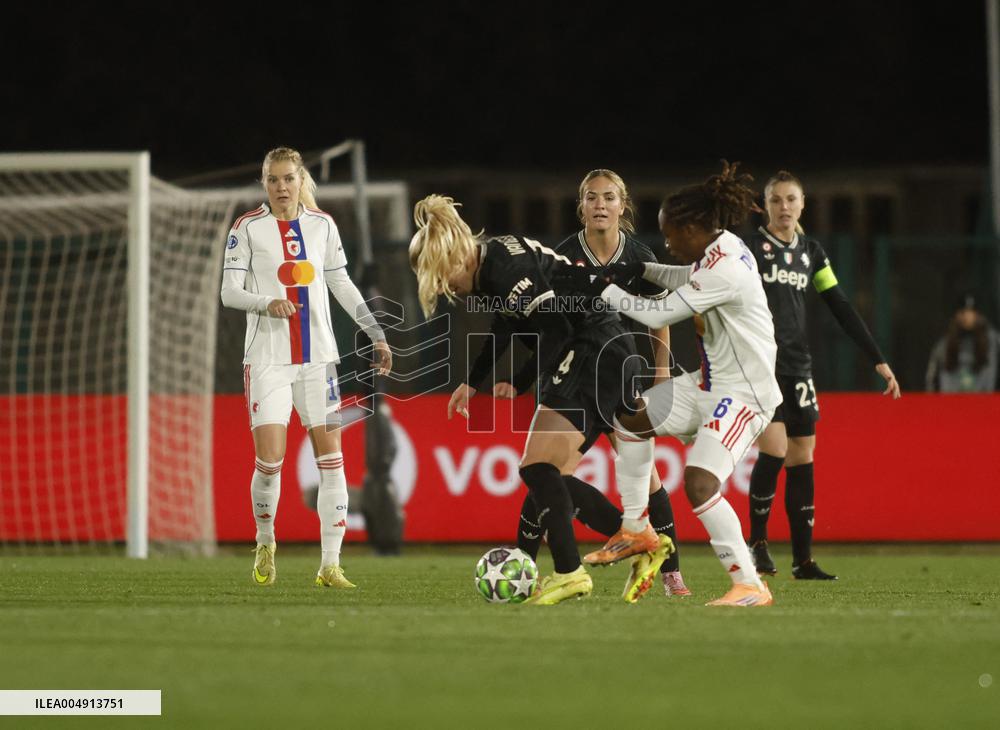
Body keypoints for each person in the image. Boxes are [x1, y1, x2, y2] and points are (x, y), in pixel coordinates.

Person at [409, 194, 671, 606]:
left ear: (456, 258)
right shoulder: (494, 257)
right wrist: (474, 382)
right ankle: (641, 539)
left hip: (591, 348)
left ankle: (571, 573)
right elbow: (506, 323)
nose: (449, 290)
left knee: (538, 468)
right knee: (549, 475)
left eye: (444, 278)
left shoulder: (507, 270)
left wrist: (519, 380)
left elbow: (553, 330)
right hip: (608, 347)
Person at [565, 161, 780, 607]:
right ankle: (636, 528)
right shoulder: (722, 249)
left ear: (696, 226)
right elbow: (680, 277)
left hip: (744, 397)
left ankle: (749, 585)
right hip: (710, 386)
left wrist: (603, 290)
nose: (667, 242)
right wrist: (643, 271)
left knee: (699, 484)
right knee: (631, 418)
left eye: (671, 233)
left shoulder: (726, 269)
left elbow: (660, 315)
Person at [510, 169, 690, 597]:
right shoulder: (563, 256)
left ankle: (671, 575)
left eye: (609, 198)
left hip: (623, 380)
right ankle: (522, 568)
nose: (600, 205)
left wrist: (661, 375)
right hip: (574, 380)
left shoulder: (641, 257)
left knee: (647, 481)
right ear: (582, 206)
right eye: (592, 198)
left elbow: (661, 322)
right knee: (546, 474)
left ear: (622, 206)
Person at [220, 146, 392, 589]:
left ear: (301, 181)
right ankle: (265, 541)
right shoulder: (247, 229)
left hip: (320, 362)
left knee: (333, 462)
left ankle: (330, 565)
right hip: (267, 362)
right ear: (265, 183)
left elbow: (341, 283)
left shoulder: (322, 226)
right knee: (270, 462)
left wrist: (376, 332)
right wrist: (265, 302)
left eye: (288, 179)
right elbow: (229, 292)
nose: (281, 187)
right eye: (273, 179)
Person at [744, 170, 901, 580]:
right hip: (761, 364)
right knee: (774, 449)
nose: (784, 207)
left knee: (802, 455)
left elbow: (839, 303)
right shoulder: (749, 250)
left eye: (791, 200)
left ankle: (803, 560)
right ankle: (757, 543)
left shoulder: (811, 252)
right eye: (776, 200)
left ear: (802, 204)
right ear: (765, 206)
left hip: (799, 366)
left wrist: (876, 358)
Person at [926, 293, 999, 392]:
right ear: (956, 315)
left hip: (985, 401)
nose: (967, 317)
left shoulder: (993, 341)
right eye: (963, 312)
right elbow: (931, 379)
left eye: (971, 312)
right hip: (951, 401)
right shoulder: (945, 343)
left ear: (979, 315)